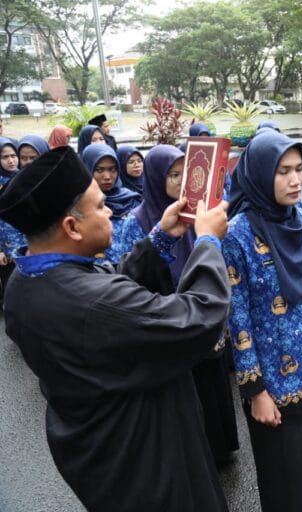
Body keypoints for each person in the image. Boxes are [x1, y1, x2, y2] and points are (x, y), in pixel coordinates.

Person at [0, 146, 231, 511]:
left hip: (99, 458)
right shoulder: (93, 303)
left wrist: (160, 238)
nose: (110, 209)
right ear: (71, 227)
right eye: (99, 205)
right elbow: (199, 315)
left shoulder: (24, 281)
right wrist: (207, 242)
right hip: (148, 462)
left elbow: (109, 286)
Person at [223, 131, 302, 512]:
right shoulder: (237, 235)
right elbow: (236, 320)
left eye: (300, 169)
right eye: (283, 171)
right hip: (275, 384)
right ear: (259, 175)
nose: (296, 180)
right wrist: (255, 390)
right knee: (286, 478)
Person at [113, 144, 240, 465]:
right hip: (170, 318)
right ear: (156, 179)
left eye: (187, 175)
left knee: (213, 386)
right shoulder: (139, 222)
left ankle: (220, 448)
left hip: (202, 310)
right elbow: (129, 276)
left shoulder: (198, 218)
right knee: (188, 394)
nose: (181, 183)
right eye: (173, 175)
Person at [80, 144, 141, 240]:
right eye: (99, 170)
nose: (107, 177)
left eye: (113, 169)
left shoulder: (131, 200)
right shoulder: (79, 206)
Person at [0, 137, 24, 300]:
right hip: (6, 249)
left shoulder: (24, 178)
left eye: (13, 155)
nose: (11, 160)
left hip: (26, 245)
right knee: (11, 291)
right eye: (5, 157)